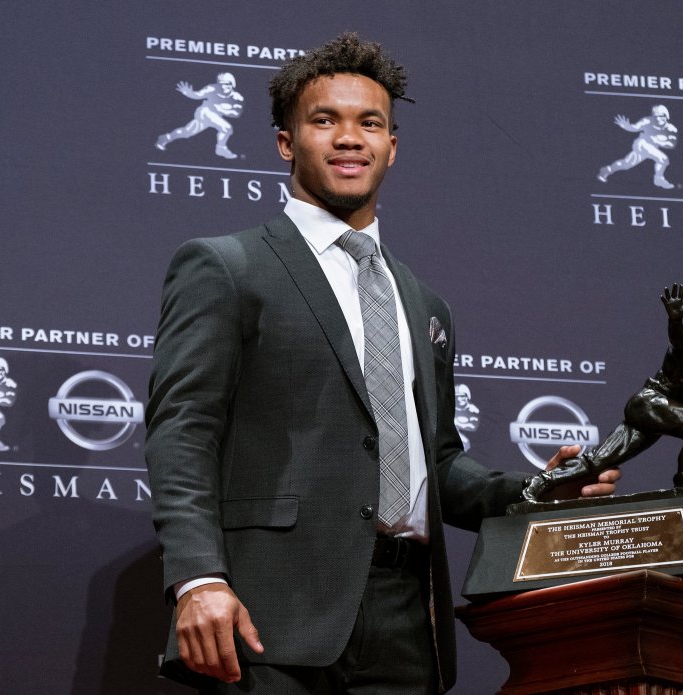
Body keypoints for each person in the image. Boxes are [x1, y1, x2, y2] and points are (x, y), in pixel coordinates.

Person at [145, 33, 619, 694]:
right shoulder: (227, 267)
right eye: (324, 120)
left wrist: (535, 491)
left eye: (369, 123)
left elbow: (438, 463)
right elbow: (183, 429)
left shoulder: (425, 304)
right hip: (267, 616)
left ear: (391, 146)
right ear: (286, 142)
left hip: (406, 618)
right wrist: (197, 577)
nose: (349, 138)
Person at [524, 284, 683, 500]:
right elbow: (677, 340)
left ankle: (540, 482)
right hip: (649, 402)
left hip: (662, 416)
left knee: (598, 461)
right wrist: (675, 320)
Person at [155, 72, 245, 159]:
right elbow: (198, 94)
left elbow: (236, 113)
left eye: (227, 84)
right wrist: (189, 93)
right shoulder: (212, 88)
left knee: (186, 132)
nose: (224, 86)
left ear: (232, 84)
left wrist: (222, 109)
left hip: (215, 116)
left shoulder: (237, 97)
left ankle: (166, 137)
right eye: (222, 84)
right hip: (205, 112)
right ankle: (221, 148)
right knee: (227, 128)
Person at [596, 104, 678, 189]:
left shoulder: (671, 129)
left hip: (651, 148)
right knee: (663, 159)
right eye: (655, 116)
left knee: (626, 164)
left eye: (660, 116)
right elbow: (635, 127)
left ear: (666, 115)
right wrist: (628, 126)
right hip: (642, 144)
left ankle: (607, 170)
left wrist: (658, 141)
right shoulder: (647, 121)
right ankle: (658, 179)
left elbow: (672, 145)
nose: (657, 119)